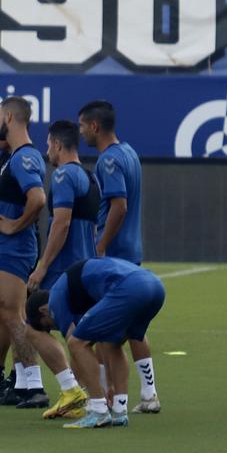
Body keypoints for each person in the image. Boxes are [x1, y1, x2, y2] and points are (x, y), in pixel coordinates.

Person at [81, 99, 160, 414]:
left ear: (95, 126)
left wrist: (100, 245)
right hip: (132, 251)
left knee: (103, 327)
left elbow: (119, 205)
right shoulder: (129, 152)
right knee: (134, 327)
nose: (81, 131)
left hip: (115, 255)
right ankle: (149, 394)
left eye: (83, 125)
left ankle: (108, 396)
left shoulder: (109, 160)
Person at [25, 256, 167, 430]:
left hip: (131, 288)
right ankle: (120, 410)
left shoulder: (55, 298)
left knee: (76, 343)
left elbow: (75, 343)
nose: (55, 326)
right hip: (155, 286)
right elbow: (102, 342)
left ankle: (98, 410)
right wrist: (109, 386)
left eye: (48, 325)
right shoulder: (82, 295)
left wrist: (95, 390)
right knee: (113, 343)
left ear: (43, 311)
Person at [27, 120, 101, 421]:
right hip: (87, 267)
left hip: (65, 272)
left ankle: (74, 391)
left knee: (31, 322)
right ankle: (90, 397)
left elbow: (62, 222)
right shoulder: (90, 177)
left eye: (48, 145)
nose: (47, 151)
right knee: (80, 334)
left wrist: (41, 267)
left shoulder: (63, 176)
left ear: (57, 144)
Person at [0, 96, 50, 409]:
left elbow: (37, 198)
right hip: (4, 247)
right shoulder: (12, 157)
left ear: (9, 117)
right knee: (4, 311)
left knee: (14, 314)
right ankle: (23, 384)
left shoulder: (25, 157)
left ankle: (35, 385)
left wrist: (15, 225)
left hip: (14, 247)